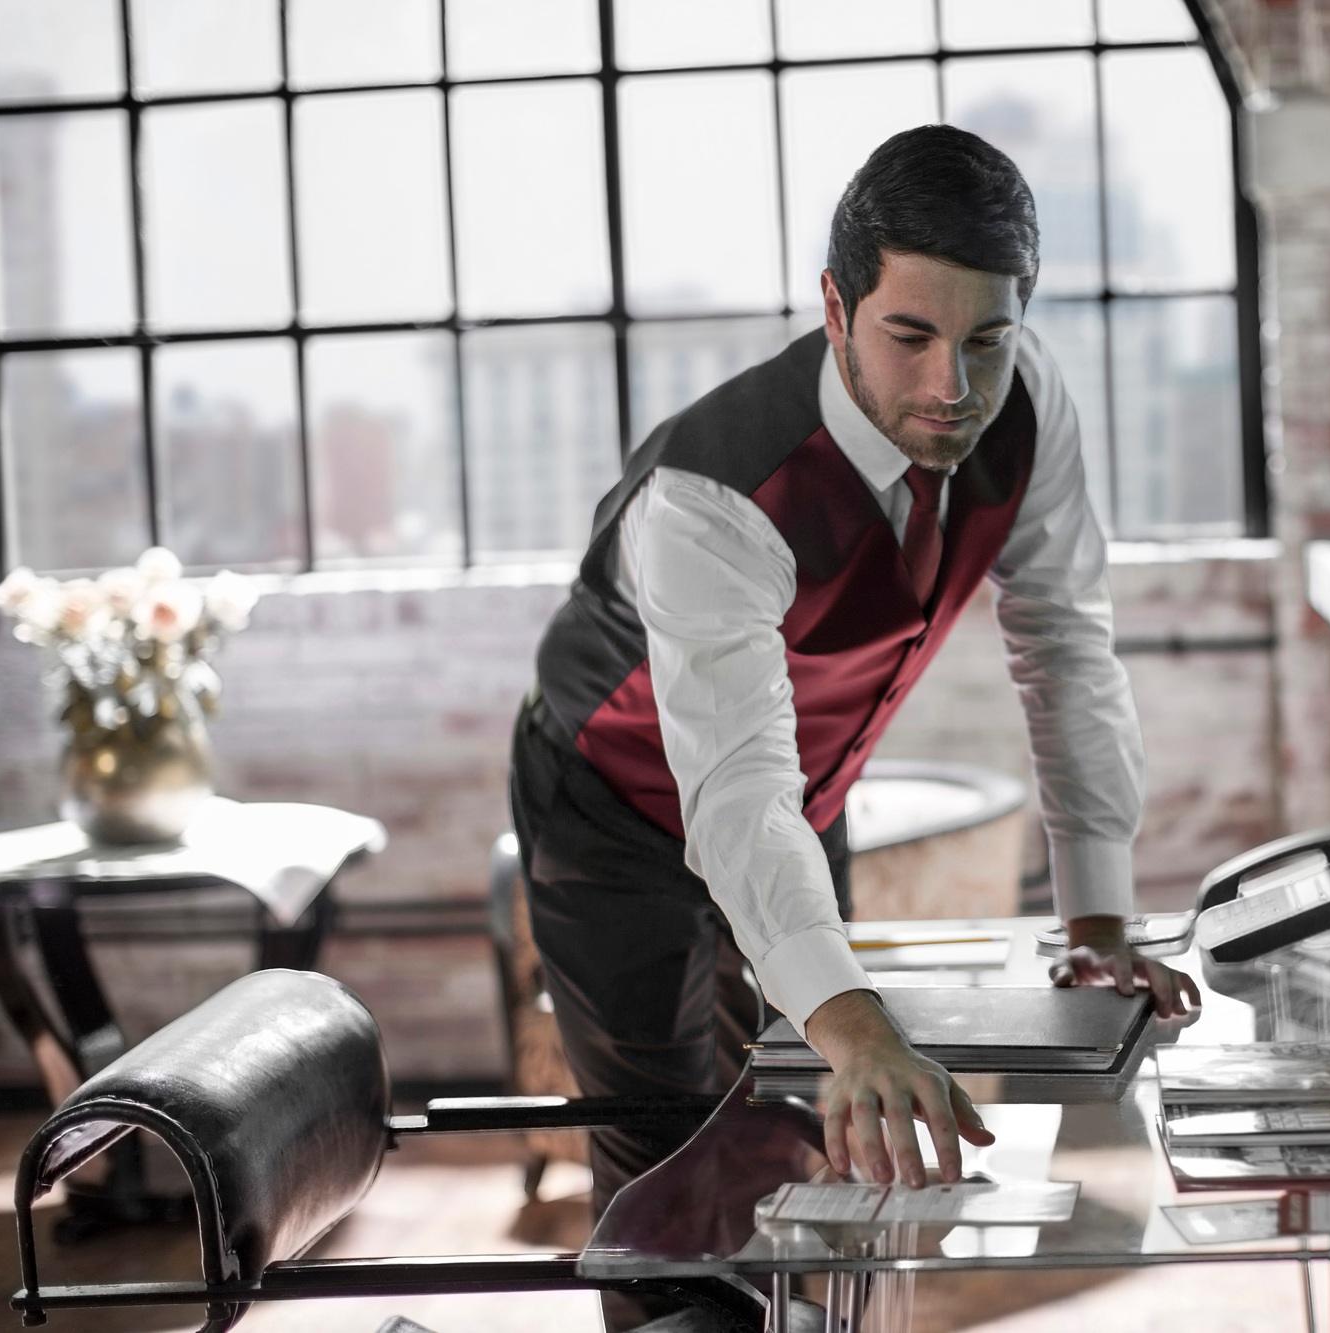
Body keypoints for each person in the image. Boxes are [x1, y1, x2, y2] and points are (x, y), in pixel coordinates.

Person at [508, 125, 1199, 1325]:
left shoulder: (1026, 408)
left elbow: (1065, 648)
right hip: (612, 802)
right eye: (911, 335)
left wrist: (1096, 918)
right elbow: (730, 793)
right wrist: (855, 1023)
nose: (954, 386)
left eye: (986, 338)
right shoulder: (709, 493)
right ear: (835, 307)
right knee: (669, 1162)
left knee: (807, 1132)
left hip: (799, 792)